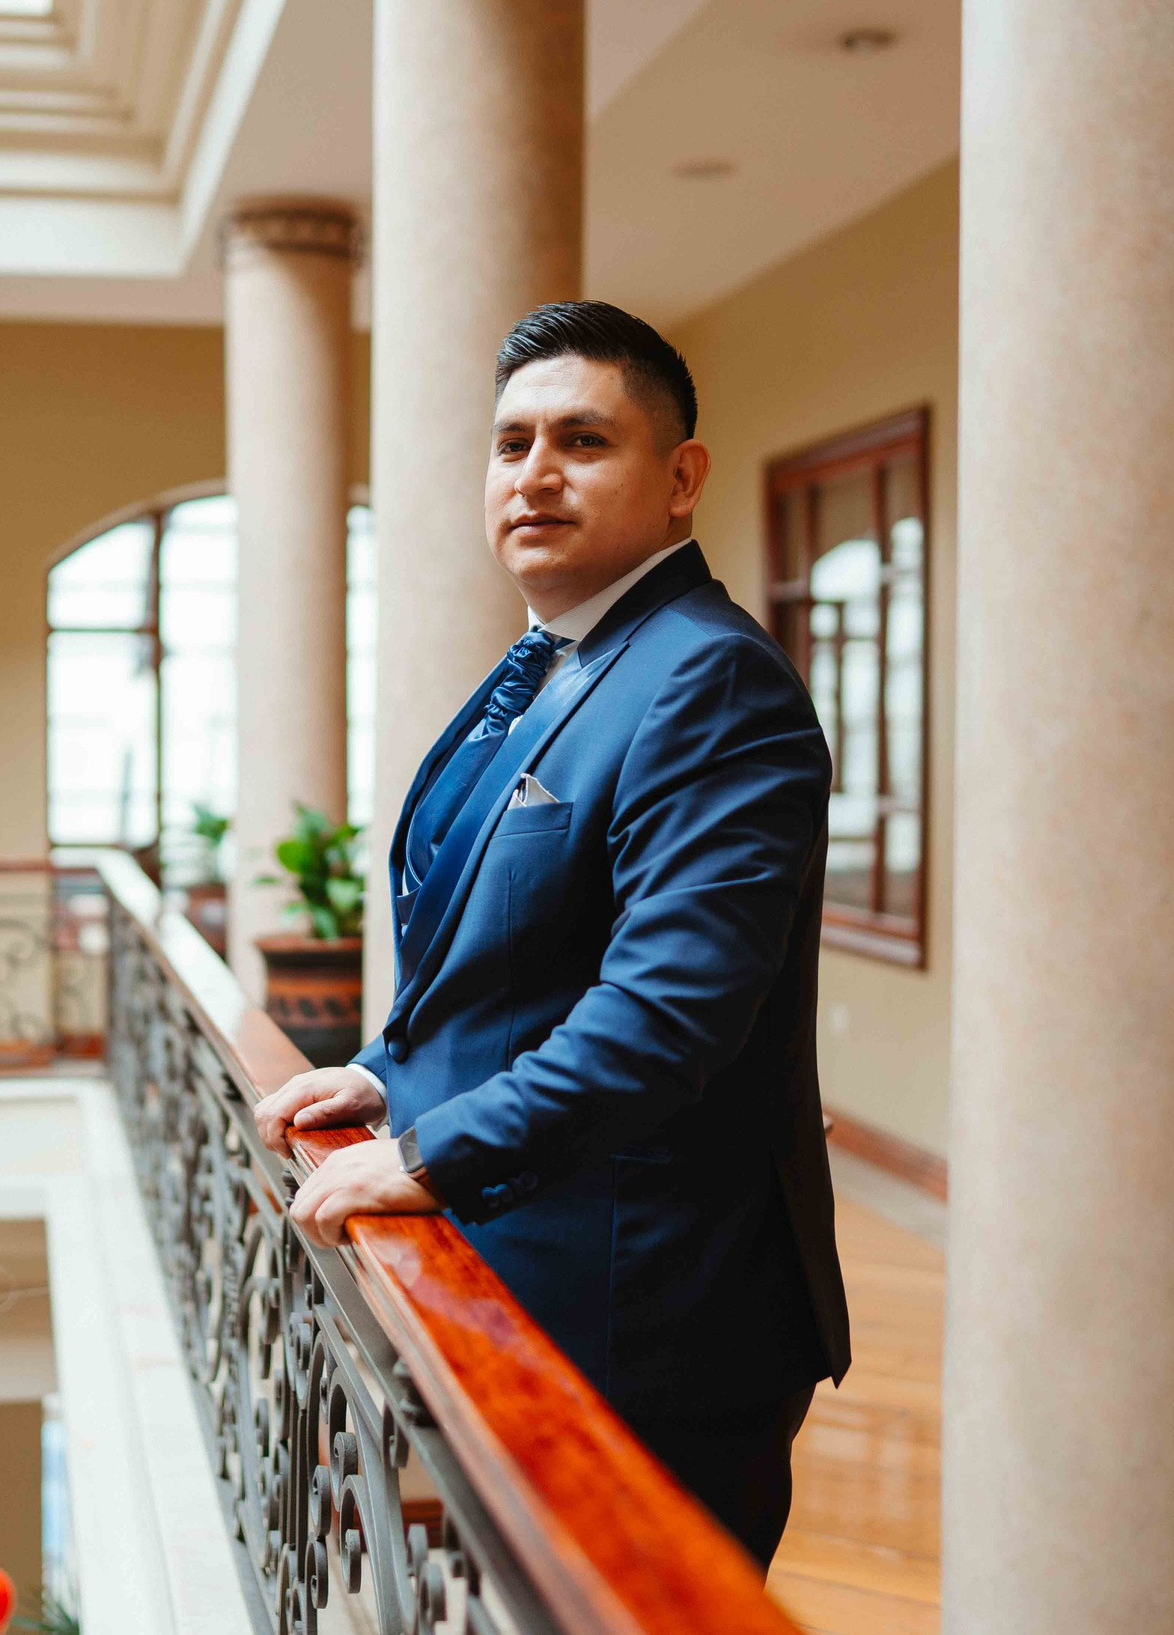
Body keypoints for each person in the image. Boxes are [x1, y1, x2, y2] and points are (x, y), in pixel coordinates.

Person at [250, 300, 852, 1569]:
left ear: (679, 478)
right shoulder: (561, 661)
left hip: (651, 1314)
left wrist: (424, 1152)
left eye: (582, 440)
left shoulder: (708, 681)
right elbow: (511, 946)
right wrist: (388, 1067)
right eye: (510, 442)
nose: (534, 473)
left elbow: (660, 1019)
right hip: (535, 1277)